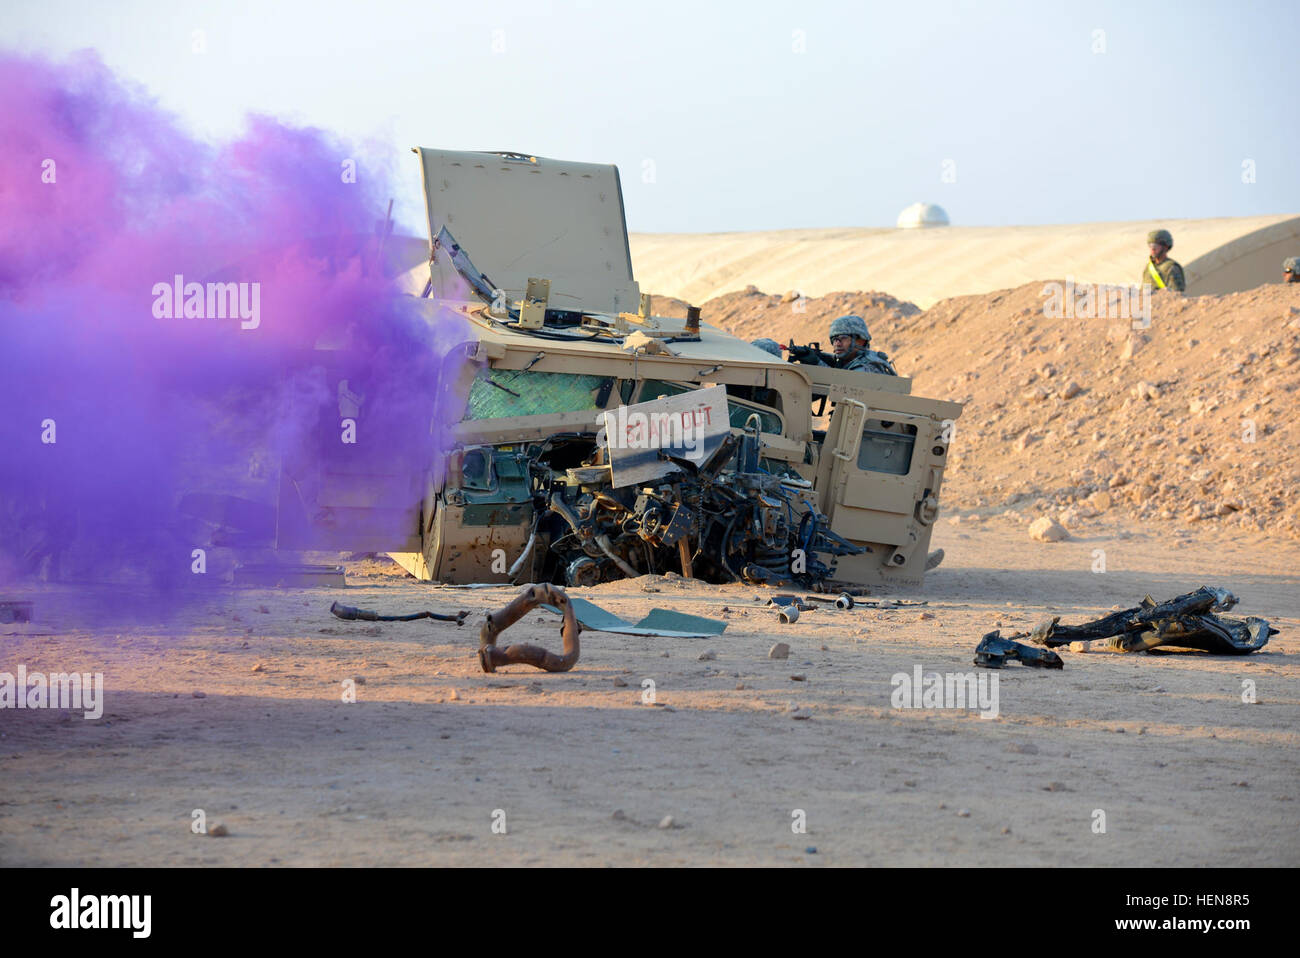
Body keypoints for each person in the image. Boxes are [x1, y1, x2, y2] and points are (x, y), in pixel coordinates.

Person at [827, 314, 897, 375]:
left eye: (843, 338)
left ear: (861, 341)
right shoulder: (845, 363)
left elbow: (842, 384)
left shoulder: (865, 368)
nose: (837, 344)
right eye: (834, 340)